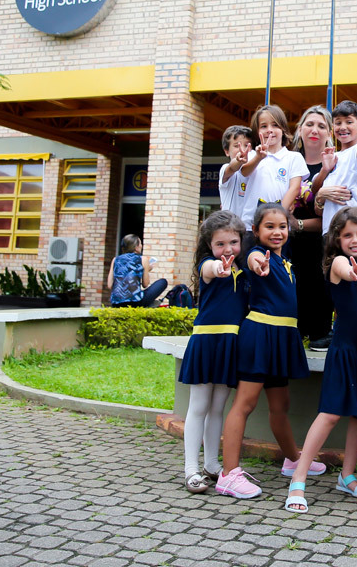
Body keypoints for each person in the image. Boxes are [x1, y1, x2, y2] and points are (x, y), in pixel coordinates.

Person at [284, 207, 357, 512]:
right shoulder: (339, 264)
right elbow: (347, 272)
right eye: (347, 235)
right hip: (346, 352)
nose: (355, 240)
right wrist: (353, 272)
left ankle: (347, 475)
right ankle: (299, 479)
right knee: (330, 414)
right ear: (337, 241)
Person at [216, 202, 325, 498]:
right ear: (255, 230)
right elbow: (253, 260)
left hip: (282, 338)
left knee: (281, 405)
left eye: (282, 226)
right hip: (261, 335)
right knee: (245, 404)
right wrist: (257, 265)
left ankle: (293, 459)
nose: (277, 232)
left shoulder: (284, 259)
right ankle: (228, 474)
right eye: (269, 227)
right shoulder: (257, 255)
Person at [180, 211, 246, 493]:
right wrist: (218, 268)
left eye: (233, 242)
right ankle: (190, 469)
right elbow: (210, 269)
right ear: (209, 245)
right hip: (206, 341)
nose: (227, 249)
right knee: (198, 406)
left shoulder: (244, 269)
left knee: (218, 408)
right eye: (220, 244)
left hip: (230, 343)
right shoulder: (208, 265)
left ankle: (211, 464)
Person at [291, 105, 340, 349]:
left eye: (321, 126)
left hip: (321, 246)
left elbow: (334, 216)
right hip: (288, 246)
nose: (314, 130)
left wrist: (298, 224)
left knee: (320, 287)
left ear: (329, 133)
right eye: (309, 124)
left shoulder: (336, 167)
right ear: (300, 130)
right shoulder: (288, 163)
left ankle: (320, 332)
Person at [239, 104, 309, 230]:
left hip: (280, 226)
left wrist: (277, 216)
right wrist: (258, 157)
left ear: (283, 129)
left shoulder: (294, 157)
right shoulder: (252, 155)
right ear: (257, 131)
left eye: (275, 125)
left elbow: (294, 188)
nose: (269, 130)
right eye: (264, 126)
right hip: (251, 225)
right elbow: (244, 172)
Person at [315, 100, 357, 234]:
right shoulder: (333, 156)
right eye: (338, 123)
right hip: (330, 229)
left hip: (351, 228)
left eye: (349, 122)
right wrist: (325, 170)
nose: (342, 127)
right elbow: (315, 189)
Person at [107, 234, 167, 307]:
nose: (141, 246)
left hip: (116, 303)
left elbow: (110, 285)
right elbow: (145, 284)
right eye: (140, 244)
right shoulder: (143, 259)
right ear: (136, 247)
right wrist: (147, 269)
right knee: (163, 282)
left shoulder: (115, 259)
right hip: (135, 302)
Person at [218, 125, 254, 215]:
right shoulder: (225, 169)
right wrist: (239, 160)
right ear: (226, 151)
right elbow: (232, 168)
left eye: (247, 145)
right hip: (230, 222)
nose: (242, 149)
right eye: (237, 146)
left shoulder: (256, 171)